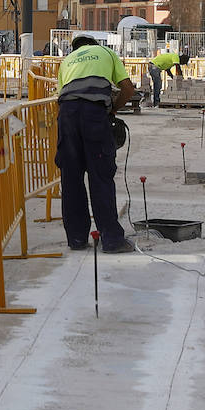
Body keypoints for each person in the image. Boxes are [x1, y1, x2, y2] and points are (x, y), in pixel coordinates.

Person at [56, 35, 137, 253]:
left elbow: (61, 98)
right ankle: (111, 240)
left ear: (74, 49)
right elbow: (128, 89)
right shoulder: (107, 53)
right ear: (94, 45)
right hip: (94, 114)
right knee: (100, 175)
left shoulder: (67, 61)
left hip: (67, 116)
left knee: (71, 178)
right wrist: (113, 110)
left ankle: (77, 239)